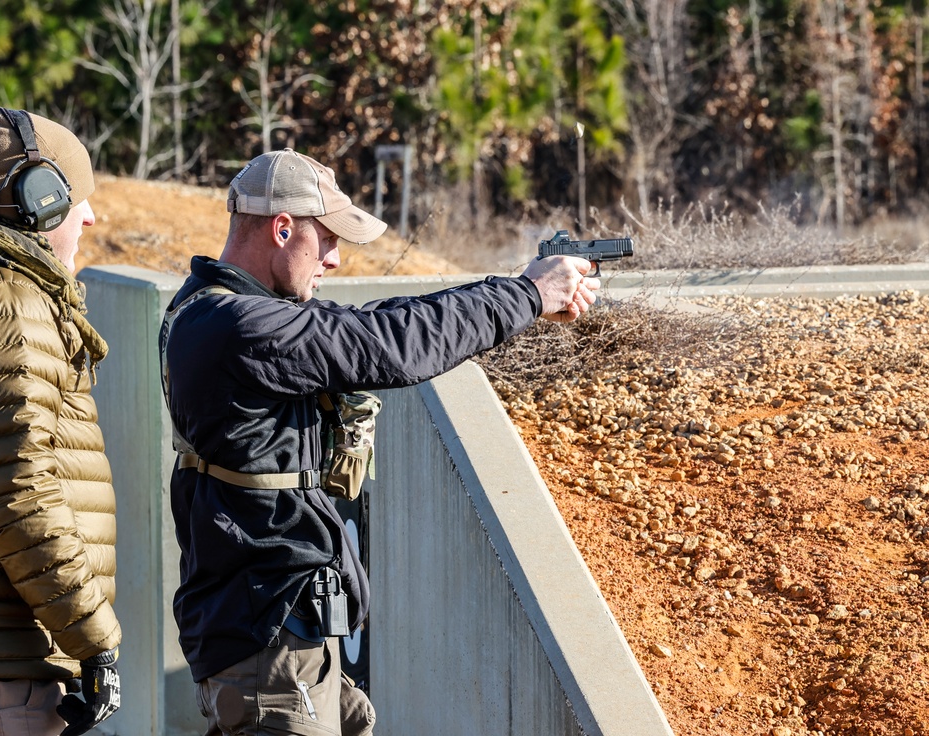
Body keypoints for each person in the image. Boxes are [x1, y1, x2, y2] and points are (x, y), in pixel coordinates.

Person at [159, 148, 599, 736]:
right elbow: (388, 343)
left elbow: (377, 321)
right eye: (328, 240)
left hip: (274, 634)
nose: (335, 260)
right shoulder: (239, 327)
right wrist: (525, 295)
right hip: (267, 643)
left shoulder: (214, 309)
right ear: (282, 229)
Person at [0, 108, 122, 736]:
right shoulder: (6, 309)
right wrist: (94, 636)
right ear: (37, 202)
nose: (92, 218)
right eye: (78, 201)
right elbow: (18, 490)